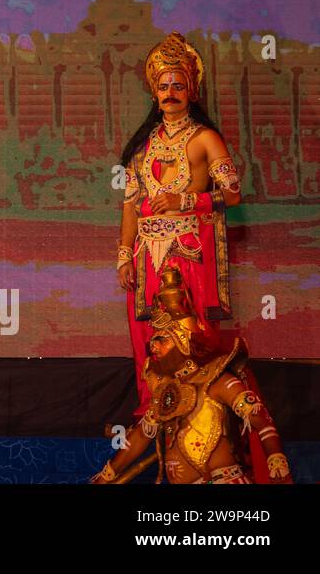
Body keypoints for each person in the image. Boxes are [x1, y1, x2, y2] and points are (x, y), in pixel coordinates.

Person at [116, 31, 242, 414]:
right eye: (164, 85)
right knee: (150, 342)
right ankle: (155, 415)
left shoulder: (206, 139)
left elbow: (233, 195)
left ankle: (200, 418)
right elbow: (130, 206)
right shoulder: (141, 149)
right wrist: (123, 256)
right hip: (146, 259)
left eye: (179, 85)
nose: (171, 92)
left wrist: (184, 200)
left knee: (192, 339)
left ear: (191, 92)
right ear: (154, 93)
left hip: (189, 254)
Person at [92, 266, 291, 485]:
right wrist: (106, 475)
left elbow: (259, 420)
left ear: (183, 341)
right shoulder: (166, 392)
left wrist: (275, 458)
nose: (154, 349)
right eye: (154, 342)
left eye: (162, 341)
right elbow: (141, 435)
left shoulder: (217, 380)